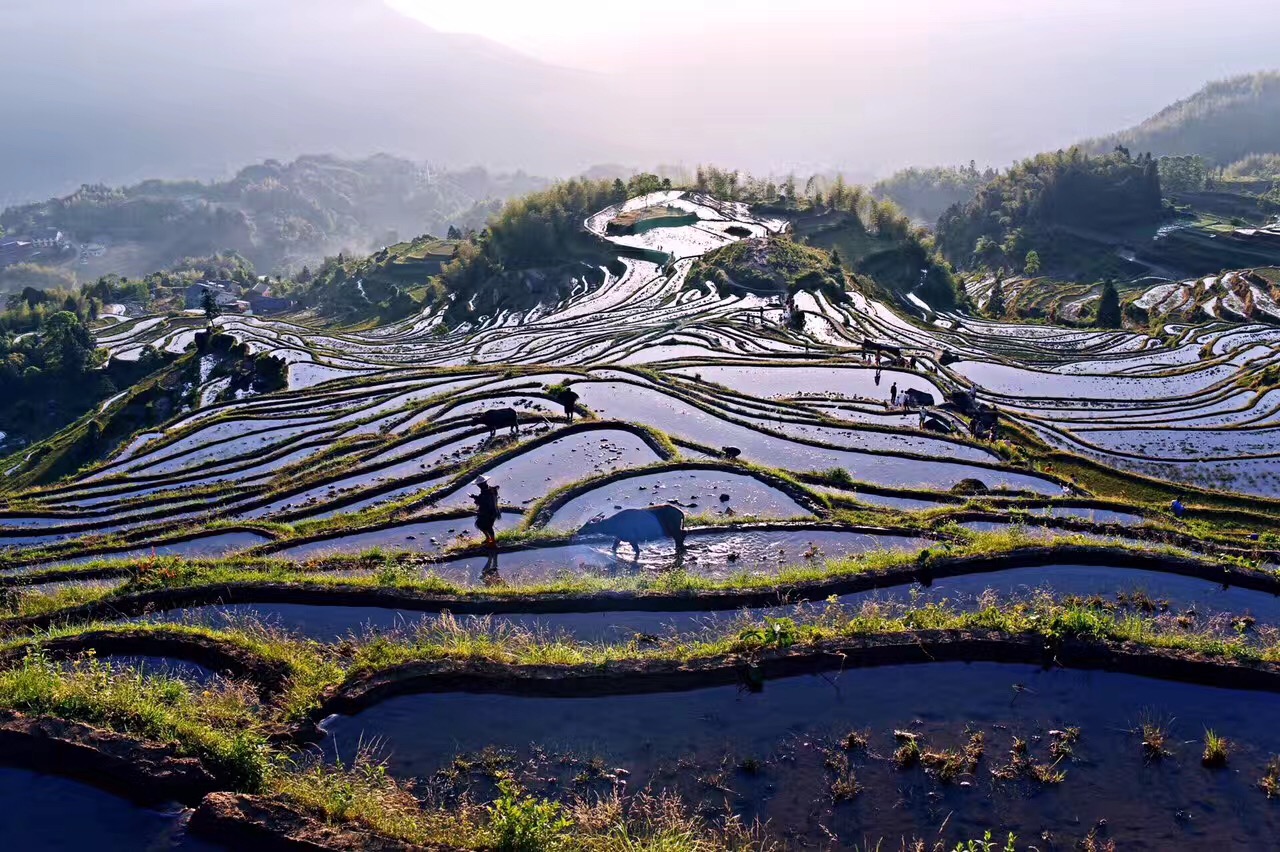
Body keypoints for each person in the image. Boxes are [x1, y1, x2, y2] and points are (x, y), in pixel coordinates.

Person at [472, 475, 501, 548]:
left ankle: (493, 542)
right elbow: (483, 499)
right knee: (480, 525)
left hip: (489, 512)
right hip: (490, 511)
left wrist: (475, 499)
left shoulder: (486, 492)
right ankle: (488, 538)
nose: (478, 485)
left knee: (488, 527)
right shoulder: (490, 489)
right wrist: (475, 497)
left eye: (479, 484)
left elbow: (482, 502)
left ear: (482, 484)